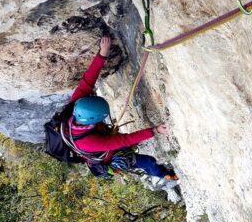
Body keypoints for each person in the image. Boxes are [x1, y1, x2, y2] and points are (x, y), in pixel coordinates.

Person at [65, 33, 177, 180]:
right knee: (147, 161)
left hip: (102, 141)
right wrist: (155, 130)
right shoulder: (89, 142)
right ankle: (165, 175)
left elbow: (88, 80)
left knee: (136, 150)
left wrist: (102, 54)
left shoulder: (76, 105)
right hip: (110, 158)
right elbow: (124, 140)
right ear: (95, 121)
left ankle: (162, 172)